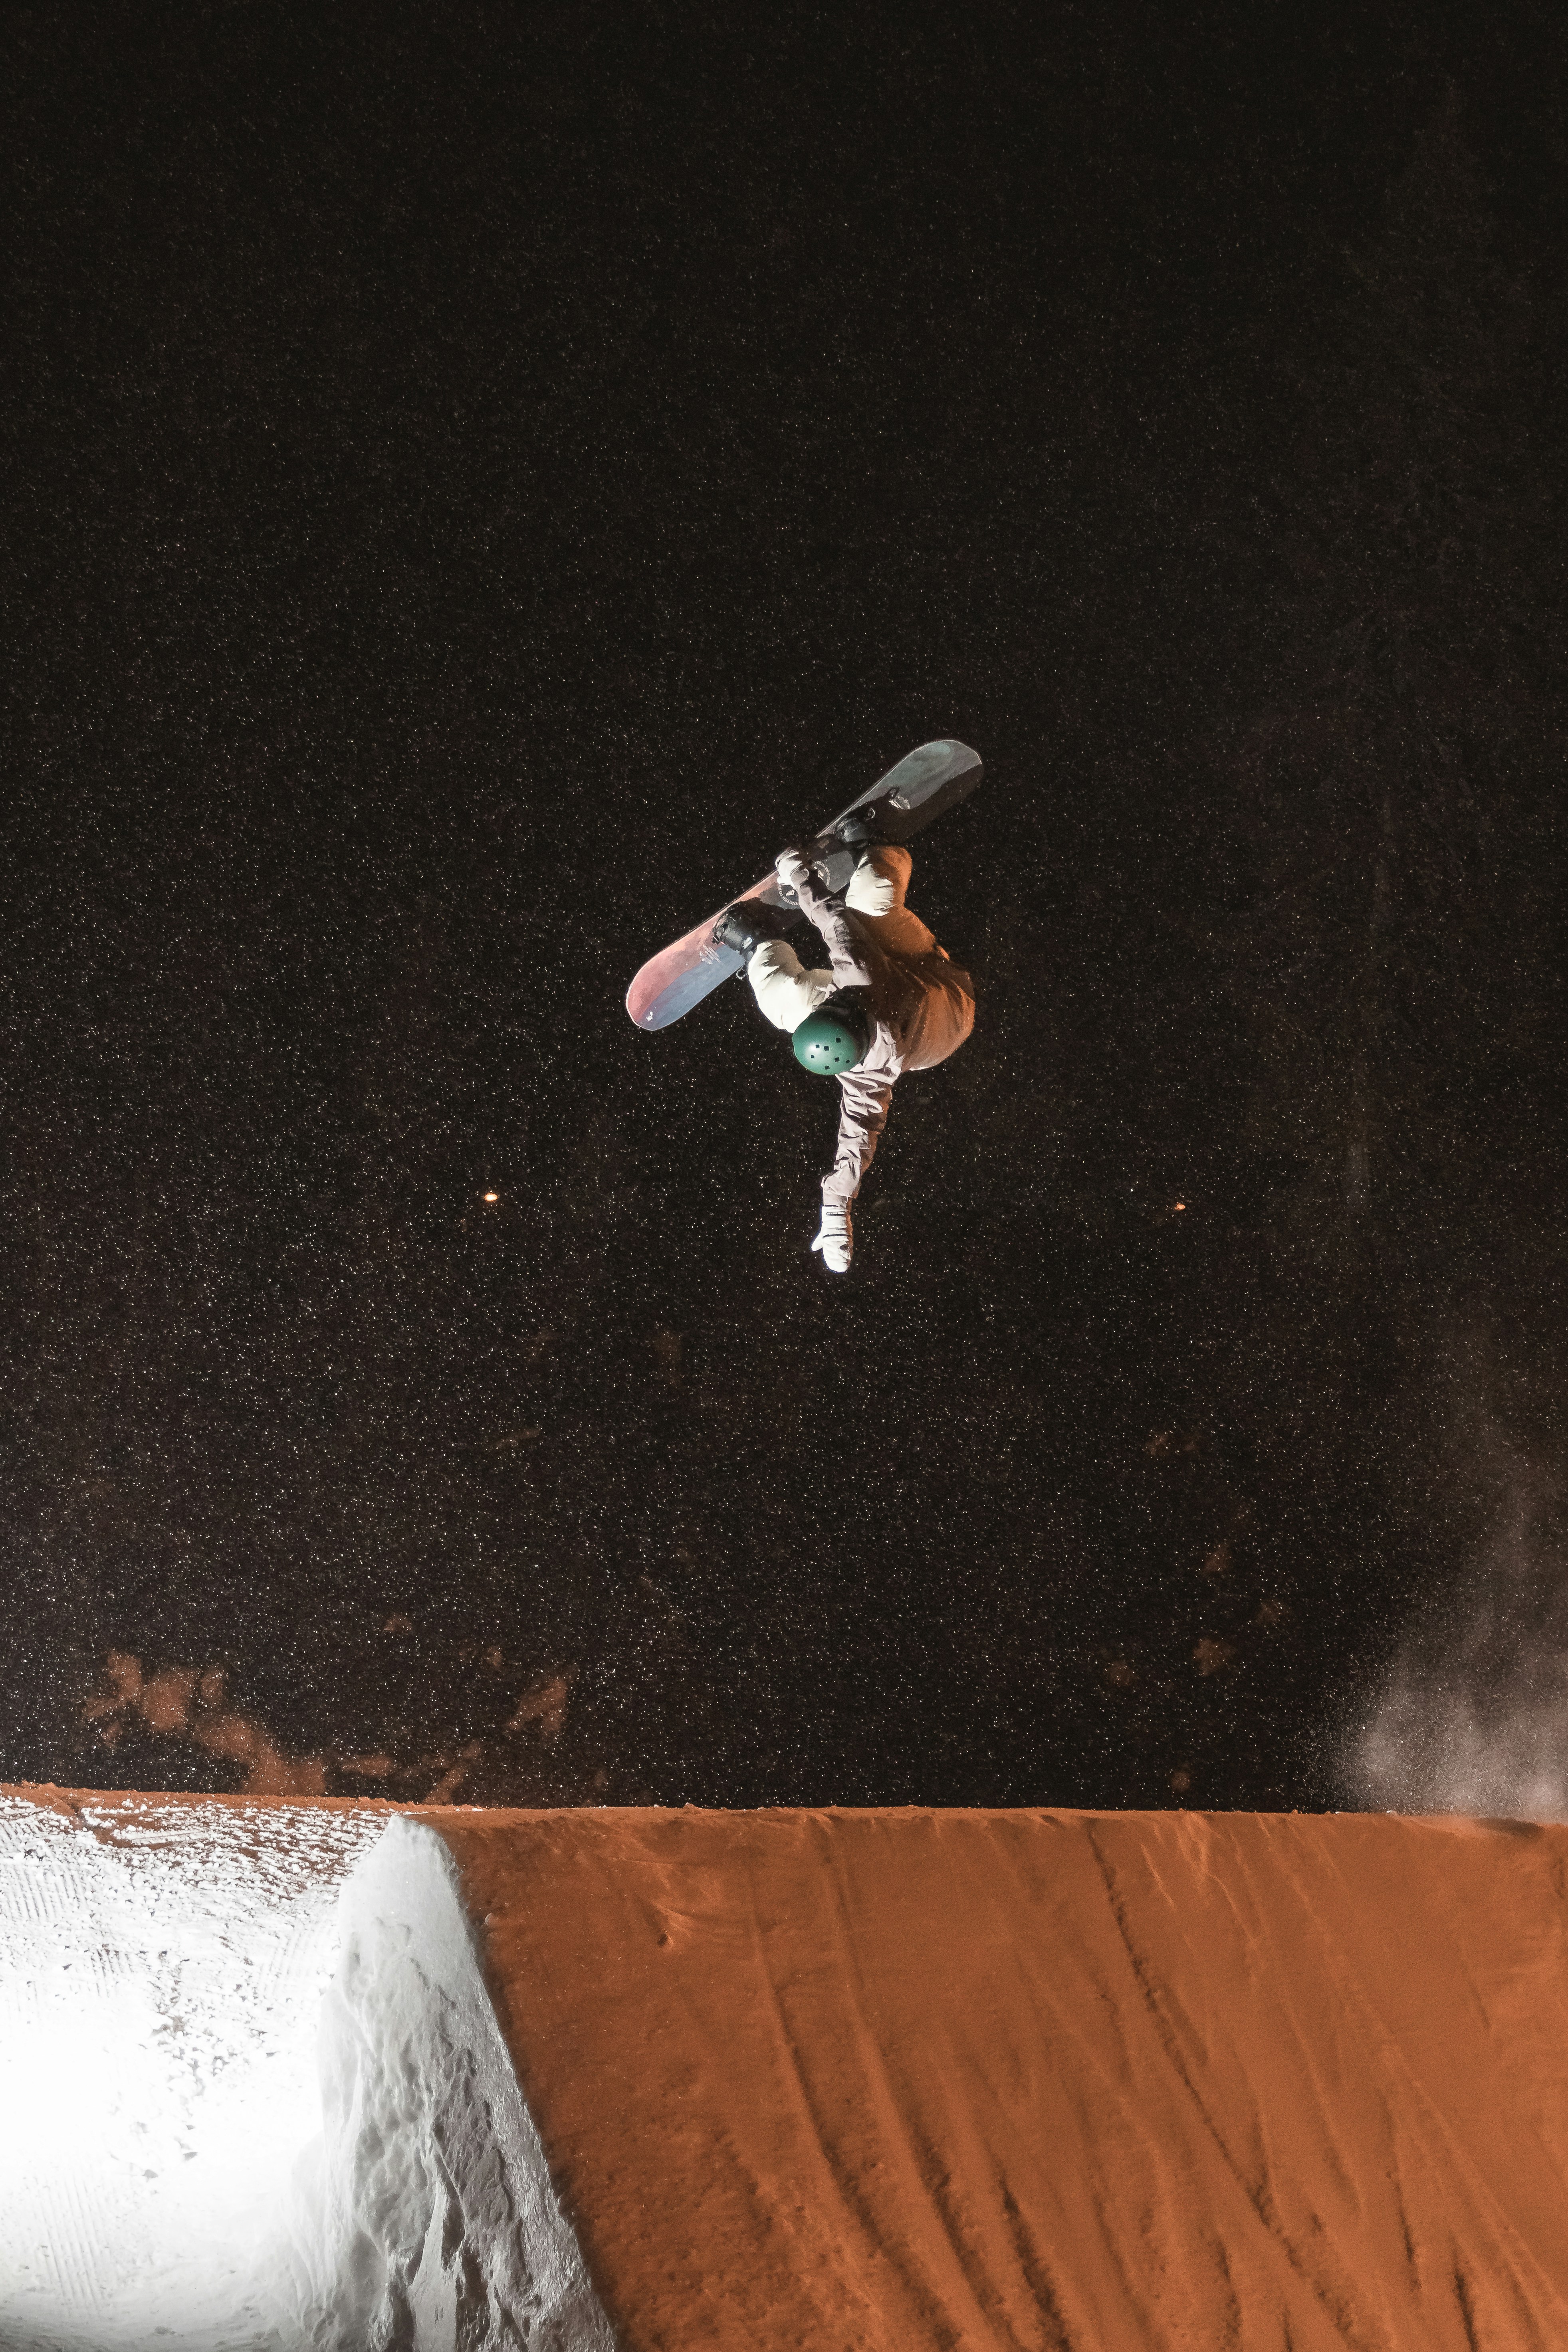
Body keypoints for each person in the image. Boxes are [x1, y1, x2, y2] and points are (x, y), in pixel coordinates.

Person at [712, 829, 975, 1272]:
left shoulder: (864, 1066)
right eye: (828, 1004)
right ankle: (880, 849)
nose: (826, 998)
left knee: (791, 1003)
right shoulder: (861, 986)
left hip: (924, 999)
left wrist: (837, 1207)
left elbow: (858, 1138)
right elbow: (830, 917)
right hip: (941, 985)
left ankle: (759, 944)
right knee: (868, 904)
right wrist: (798, 876)